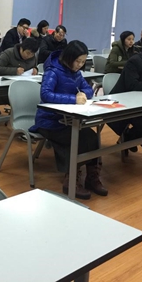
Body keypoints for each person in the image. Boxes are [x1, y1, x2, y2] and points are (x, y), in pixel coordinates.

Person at [30, 40, 107, 200]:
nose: (80, 65)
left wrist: (84, 94)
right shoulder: (53, 70)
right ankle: (71, 181)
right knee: (78, 139)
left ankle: (92, 177)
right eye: (78, 61)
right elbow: (45, 94)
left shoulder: (76, 72)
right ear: (69, 57)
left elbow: (87, 88)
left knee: (92, 137)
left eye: (83, 62)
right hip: (49, 121)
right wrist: (73, 99)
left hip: (68, 119)